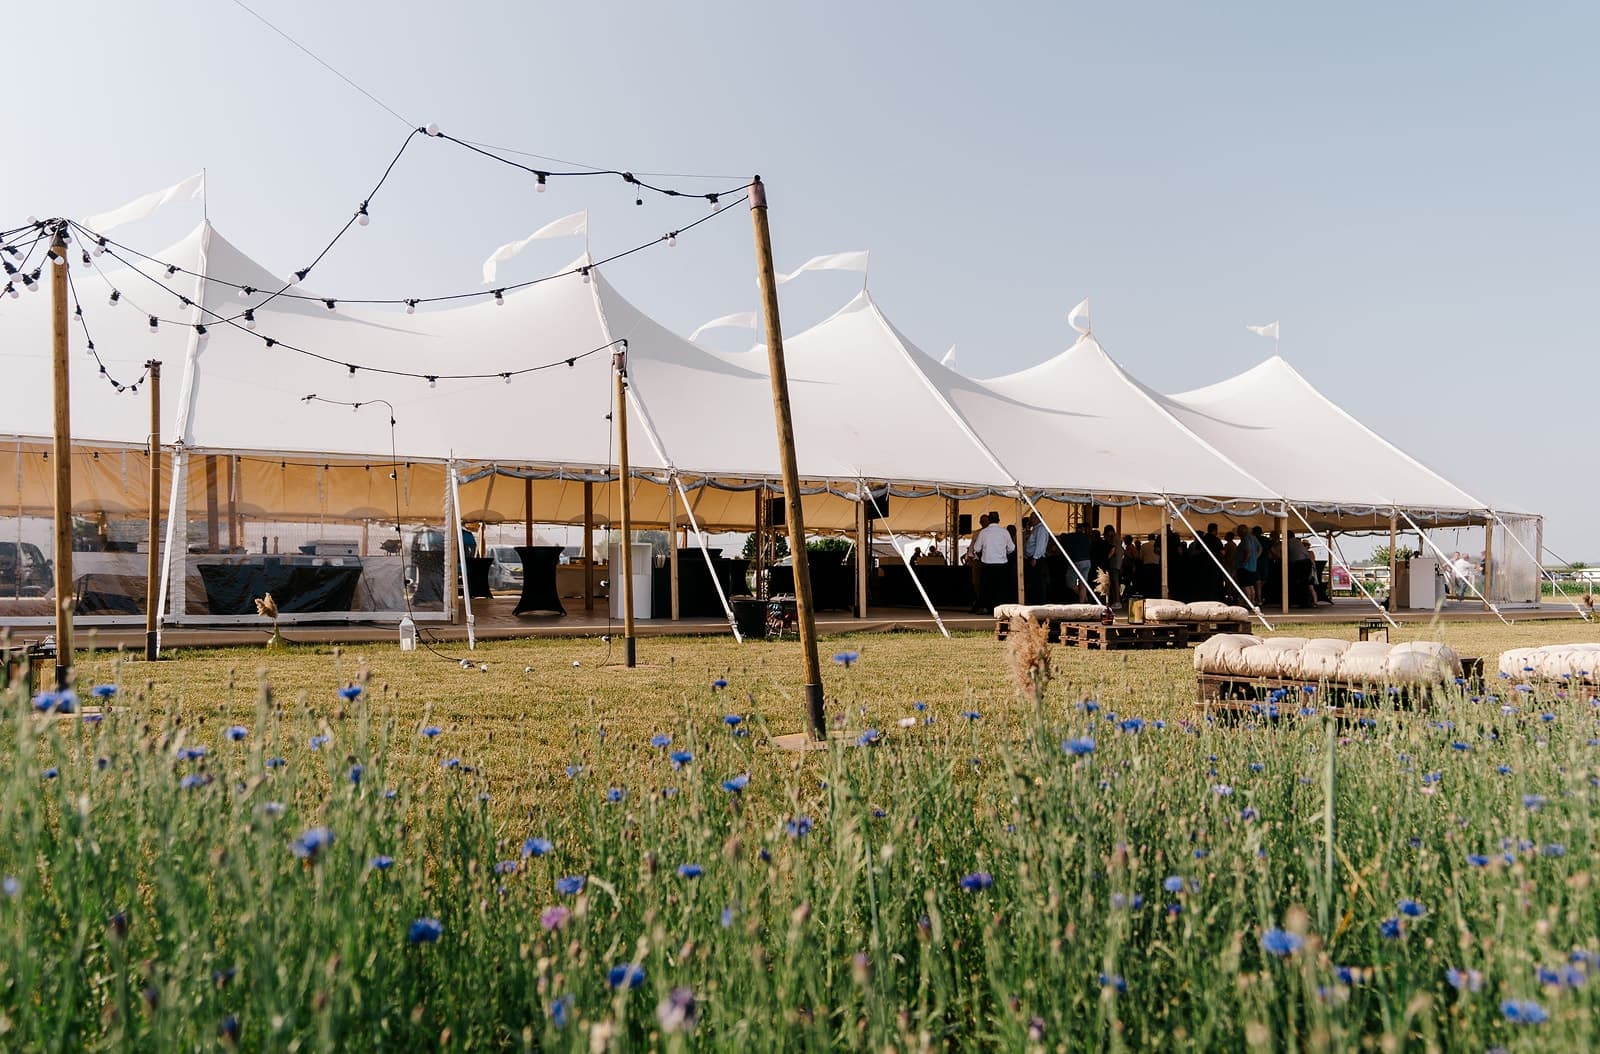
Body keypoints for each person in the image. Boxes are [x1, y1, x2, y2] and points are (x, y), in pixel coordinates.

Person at [969, 512, 1015, 615]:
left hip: (988, 564)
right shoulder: (1004, 532)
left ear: (989, 520)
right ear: (999, 520)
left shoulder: (983, 532)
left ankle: (986, 608)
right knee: (1001, 588)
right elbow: (1012, 548)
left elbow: (976, 548)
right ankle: (1001, 609)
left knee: (987, 588)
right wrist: (1004, 552)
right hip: (1002, 565)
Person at [1022, 513, 1052, 603]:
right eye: (1031, 518)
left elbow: (1040, 544)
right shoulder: (1035, 529)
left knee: (1039, 581)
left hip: (1037, 558)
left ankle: (1040, 601)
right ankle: (1035, 600)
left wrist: (1035, 557)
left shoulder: (1041, 529)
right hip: (1031, 557)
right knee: (1034, 581)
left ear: (1039, 519)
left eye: (1033, 518)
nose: (1031, 520)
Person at [1102, 524, 1123, 607]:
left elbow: (1113, 549)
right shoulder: (1118, 539)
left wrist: (1106, 558)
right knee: (1114, 582)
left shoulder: (1114, 538)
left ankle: (1117, 601)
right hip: (1117, 563)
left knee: (1115, 582)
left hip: (1114, 563)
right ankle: (1116, 601)